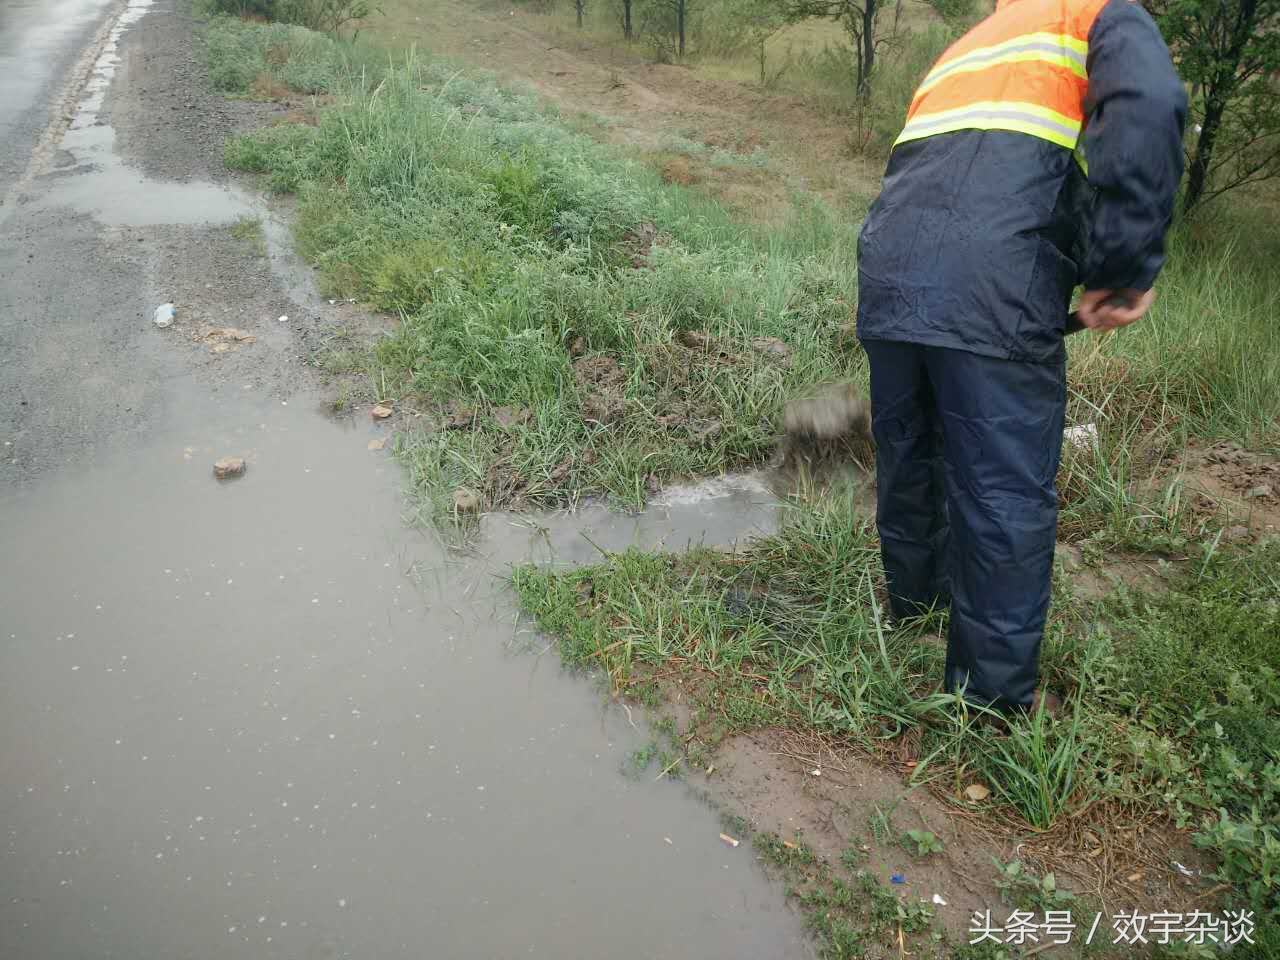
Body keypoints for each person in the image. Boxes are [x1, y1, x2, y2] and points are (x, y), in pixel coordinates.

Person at [855, 0, 1187, 714]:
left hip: (888, 271)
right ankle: (990, 706)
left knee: (912, 453)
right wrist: (1122, 267)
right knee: (1002, 492)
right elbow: (1150, 105)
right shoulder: (1100, 16)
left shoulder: (973, 44)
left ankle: (917, 610)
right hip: (992, 285)